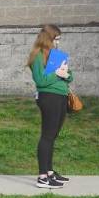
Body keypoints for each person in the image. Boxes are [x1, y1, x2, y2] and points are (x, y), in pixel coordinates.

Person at [28, 24, 74, 189]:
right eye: (56, 39)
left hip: (61, 97)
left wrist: (66, 74)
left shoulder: (56, 56)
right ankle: (42, 177)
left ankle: (49, 172)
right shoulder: (38, 56)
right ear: (48, 38)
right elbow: (40, 81)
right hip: (49, 98)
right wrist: (57, 74)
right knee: (47, 136)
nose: (58, 42)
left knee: (53, 135)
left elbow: (70, 77)